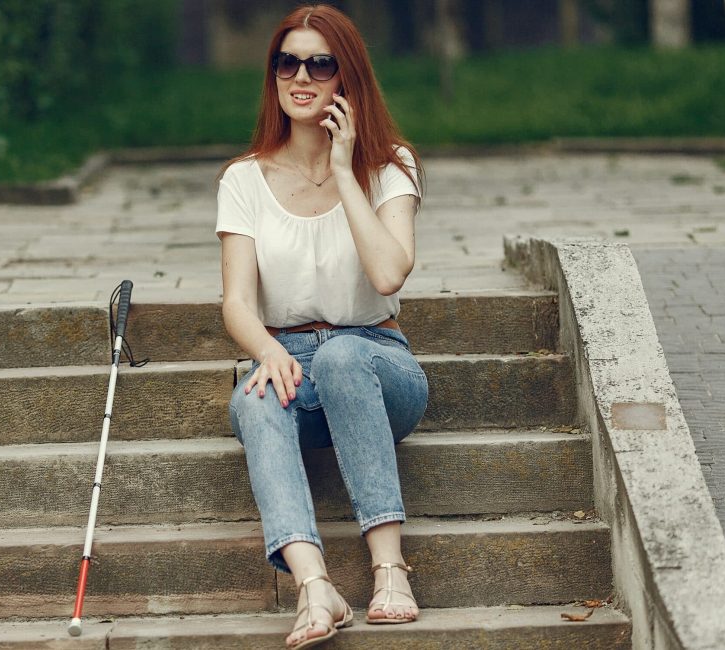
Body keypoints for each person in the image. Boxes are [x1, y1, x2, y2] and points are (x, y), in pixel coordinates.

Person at [215, 4, 428, 649]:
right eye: (287, 62)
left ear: (347, 78)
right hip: (292, 362)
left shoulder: (389, 167)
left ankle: (390, 571)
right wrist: (267, 351)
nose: (300, 76)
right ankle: (314, 585)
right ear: (273, 76)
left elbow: (390, 272)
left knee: (339, 359)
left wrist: (343, 169)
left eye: (319, 63)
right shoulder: (244, 179)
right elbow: (237, 303)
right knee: (253, 397)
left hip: (377, 359)